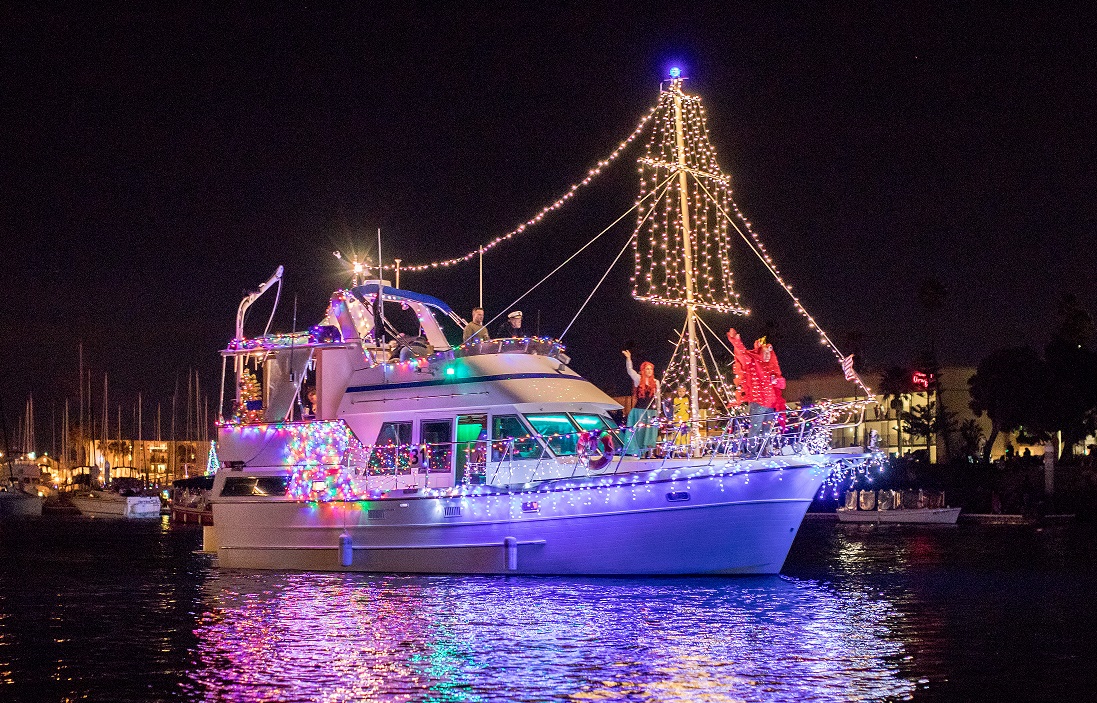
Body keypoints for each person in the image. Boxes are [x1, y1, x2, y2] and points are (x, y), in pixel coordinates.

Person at [726, 328, 786, 439]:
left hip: (771, 405)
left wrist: (776, 381)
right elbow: (742, 354)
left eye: (769, 353)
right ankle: (752, 452)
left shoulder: (773, 368)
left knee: (767, 431)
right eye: (765, 352)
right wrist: (736, 341)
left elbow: (782, 384)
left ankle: (765, 451)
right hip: (758, 403)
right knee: (755, 429)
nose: (768, 355)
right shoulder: (753, 363)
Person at [623, 349, 660, 457]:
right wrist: (628, 358)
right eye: (647, 369)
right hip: (639, 410)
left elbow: (657, 398)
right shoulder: (638, 379)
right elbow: (630, 370)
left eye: (651, 369)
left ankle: (650, 452)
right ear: (643, 370)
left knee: (651, 432)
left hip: (651, 411)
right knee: (639, 432)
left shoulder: (656, 382)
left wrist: (658, 410)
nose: (649, 371)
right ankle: (639, 452)